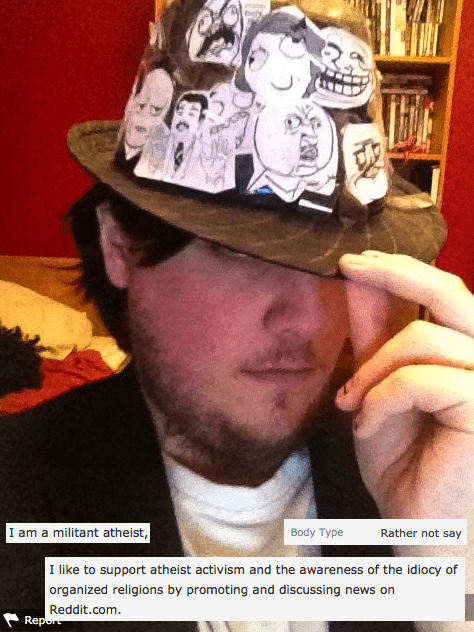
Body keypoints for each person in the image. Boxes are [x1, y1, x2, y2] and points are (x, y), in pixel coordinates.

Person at [1, 0, 472, 631]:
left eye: (337, 262)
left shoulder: (417, 473)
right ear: (119, 248)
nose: (308, 318)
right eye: (240, 252)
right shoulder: (20, 497)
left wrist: (448, 581)